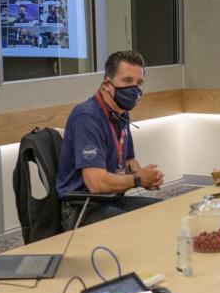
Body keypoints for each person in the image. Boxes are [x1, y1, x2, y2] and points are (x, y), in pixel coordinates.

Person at [56, 51, 165, 228]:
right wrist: (138, 179)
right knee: (134, 228)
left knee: (162, 213)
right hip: (83, 207)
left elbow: (129, 161)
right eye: (127, 81)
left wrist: (146, 176)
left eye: (139, 83)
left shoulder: (121, 112)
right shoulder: (87, 117)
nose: (134, 89)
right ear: (107, 84)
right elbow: (96, 183)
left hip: (112, 199)